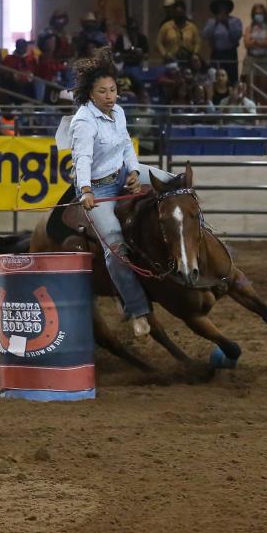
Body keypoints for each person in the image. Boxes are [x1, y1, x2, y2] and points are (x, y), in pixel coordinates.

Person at [69, 48, 174, 338]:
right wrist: (86, 189)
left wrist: (131, 171)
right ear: (91, 94)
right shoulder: (83, 122)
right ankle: (137, 309)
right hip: (99, 186)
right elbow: (82, 159)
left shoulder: (119, 112)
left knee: (175, 183)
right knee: (115, 246)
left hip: (123, 173)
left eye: (112, 90)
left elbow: (127, 144)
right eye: (102, 91)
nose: (109, 96)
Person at [202, 0, 242, 82]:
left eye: (224, 7)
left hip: (230, 53)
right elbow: (205, 35)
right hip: (216, 53)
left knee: (231, 78)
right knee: (216, 77)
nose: (222, 9)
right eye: (219, 7)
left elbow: (237, 36)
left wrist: (227, 24)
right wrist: (215, 23)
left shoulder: (235, 21)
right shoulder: (211, 21)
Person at [242, 3, 267, 96]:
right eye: (256, 13)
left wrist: (255, 41)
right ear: (253, 15)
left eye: (260, 13)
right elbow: (246, 44)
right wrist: (262, 42)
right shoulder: (249, 28)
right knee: (250, 89)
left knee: (263, 90)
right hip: (251, 59)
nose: (258, 15)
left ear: (264, 14)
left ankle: (262, 109)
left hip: (264, 60)